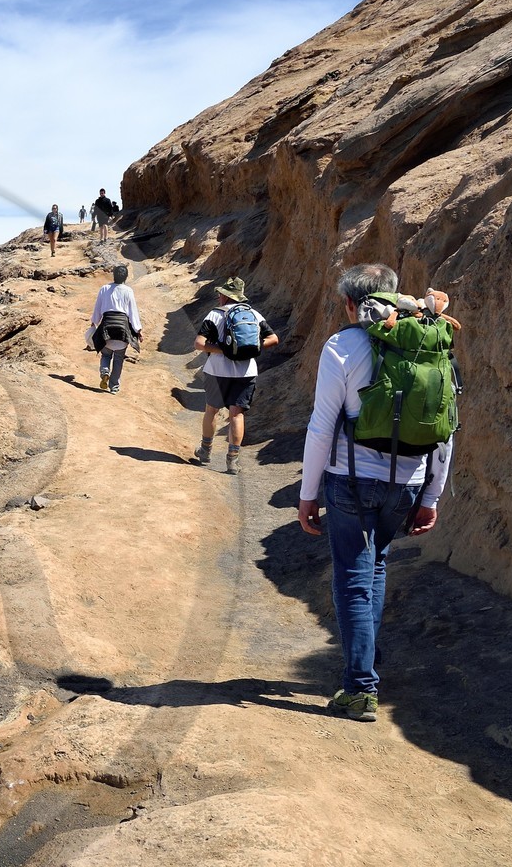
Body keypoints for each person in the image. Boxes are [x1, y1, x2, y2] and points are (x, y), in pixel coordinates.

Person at [297, 264, 454, 722]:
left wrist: (309, 493)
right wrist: (432, 497)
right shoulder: (429, 343)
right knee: (376, 563)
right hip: (406, 482)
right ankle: (365, 657)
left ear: (351, 304)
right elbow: (447, 431)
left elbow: (322, 425)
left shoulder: (341, 347)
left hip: (349, 480)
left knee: (351, 573)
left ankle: (360, 686)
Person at [192, 276, 278, 475]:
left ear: (225, 296)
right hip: (246, 372)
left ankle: (205, 450)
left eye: (220, 294)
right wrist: (250, 349)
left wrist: (225, 350)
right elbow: (273, 338)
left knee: (211, 410)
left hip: (216, 372)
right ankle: (232, 460)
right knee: (236, 414)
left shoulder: (214, 315)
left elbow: (199, 343)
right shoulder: (254, 314)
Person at [86, 263, 141, 392]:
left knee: (106, 355)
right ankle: (114, 387)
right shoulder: (128, 291)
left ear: (113, 275)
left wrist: (94, 322)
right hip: (122, 328)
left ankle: (105, 372)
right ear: (126, 277)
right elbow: (133, 311)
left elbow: (98, 308)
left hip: (107, 326)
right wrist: (138, 330)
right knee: (118, 359)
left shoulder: (104, 289)